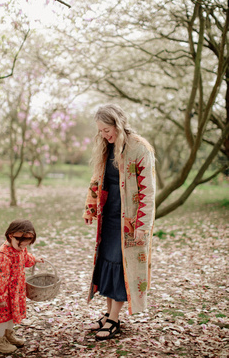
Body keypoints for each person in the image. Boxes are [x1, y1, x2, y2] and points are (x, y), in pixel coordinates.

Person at [83, 103, 156, 341]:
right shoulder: (107, 147)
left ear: (119, 123)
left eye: (107, 130)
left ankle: (114, 320)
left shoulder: (139, 148)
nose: (104, 135)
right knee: (106, 262)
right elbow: (97, 179)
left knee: (120, 265)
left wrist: (143, 227)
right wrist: (90, 207)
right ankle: (108, 314)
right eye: (101, 131)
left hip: (130, 222)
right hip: (109, 216)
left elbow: (148, 192)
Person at [0, 219, 44, 353]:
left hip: (15, 291)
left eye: (26, 245)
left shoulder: (20, 248)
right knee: (3, 317)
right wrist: (0, 296)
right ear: (11, 236)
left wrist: (34, 259)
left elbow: (25, 257)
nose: (23, 247)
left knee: (11, 315)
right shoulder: (4, 255)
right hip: (3, 293)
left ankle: (8, 335)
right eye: (21, 245)